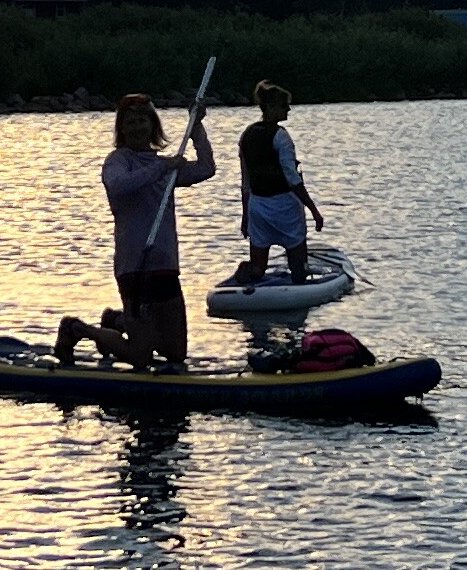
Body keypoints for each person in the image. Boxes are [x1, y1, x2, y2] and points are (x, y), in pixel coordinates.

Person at [55, 90, 215, 370]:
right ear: (122, 129)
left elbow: (206, 168)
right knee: (141, 357)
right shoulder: (118, 161)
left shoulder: (163, 164)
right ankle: (77, 329)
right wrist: (163, 168)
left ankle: (116, 321)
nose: (138, 127)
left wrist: (196, 127)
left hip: (165, 264)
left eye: (143, 121)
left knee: (175, 353)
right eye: (130, 122)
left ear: (153, 125)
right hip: (135, 267)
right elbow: (120, 186)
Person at [222, 79, 328, 289]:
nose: (288, 109)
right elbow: (292, 178)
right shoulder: (281, 137)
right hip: (285, 207)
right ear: (270, 107)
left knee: (258, 269)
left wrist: (246, 216)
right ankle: (299, 281)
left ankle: (248, 271)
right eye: (284, 105)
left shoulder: (247, 135)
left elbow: (246, 182)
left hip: (258, 207)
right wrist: (314, 210)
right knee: (298, 269)